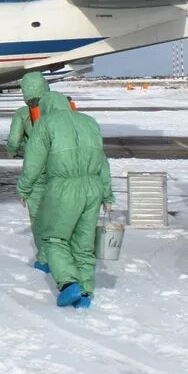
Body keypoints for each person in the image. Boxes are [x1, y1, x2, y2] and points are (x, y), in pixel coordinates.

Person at [17, 91, 115, 309]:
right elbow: (102, 160)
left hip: (63, 186)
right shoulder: (89, 122)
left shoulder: (45, 124)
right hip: (93, 187)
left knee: (54, 238)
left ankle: (69, 282)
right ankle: (85, 292)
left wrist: (24, 188)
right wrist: (107, 194)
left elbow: (33, 163)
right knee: (83, 243)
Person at [5, 71, 51, 273]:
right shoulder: (61, 109)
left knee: (39, 218)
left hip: (36, 174)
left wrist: (14, 151)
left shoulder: (23, 114)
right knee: (63, 216)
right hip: (61, 171)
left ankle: (45, 259)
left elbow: (14, 142)